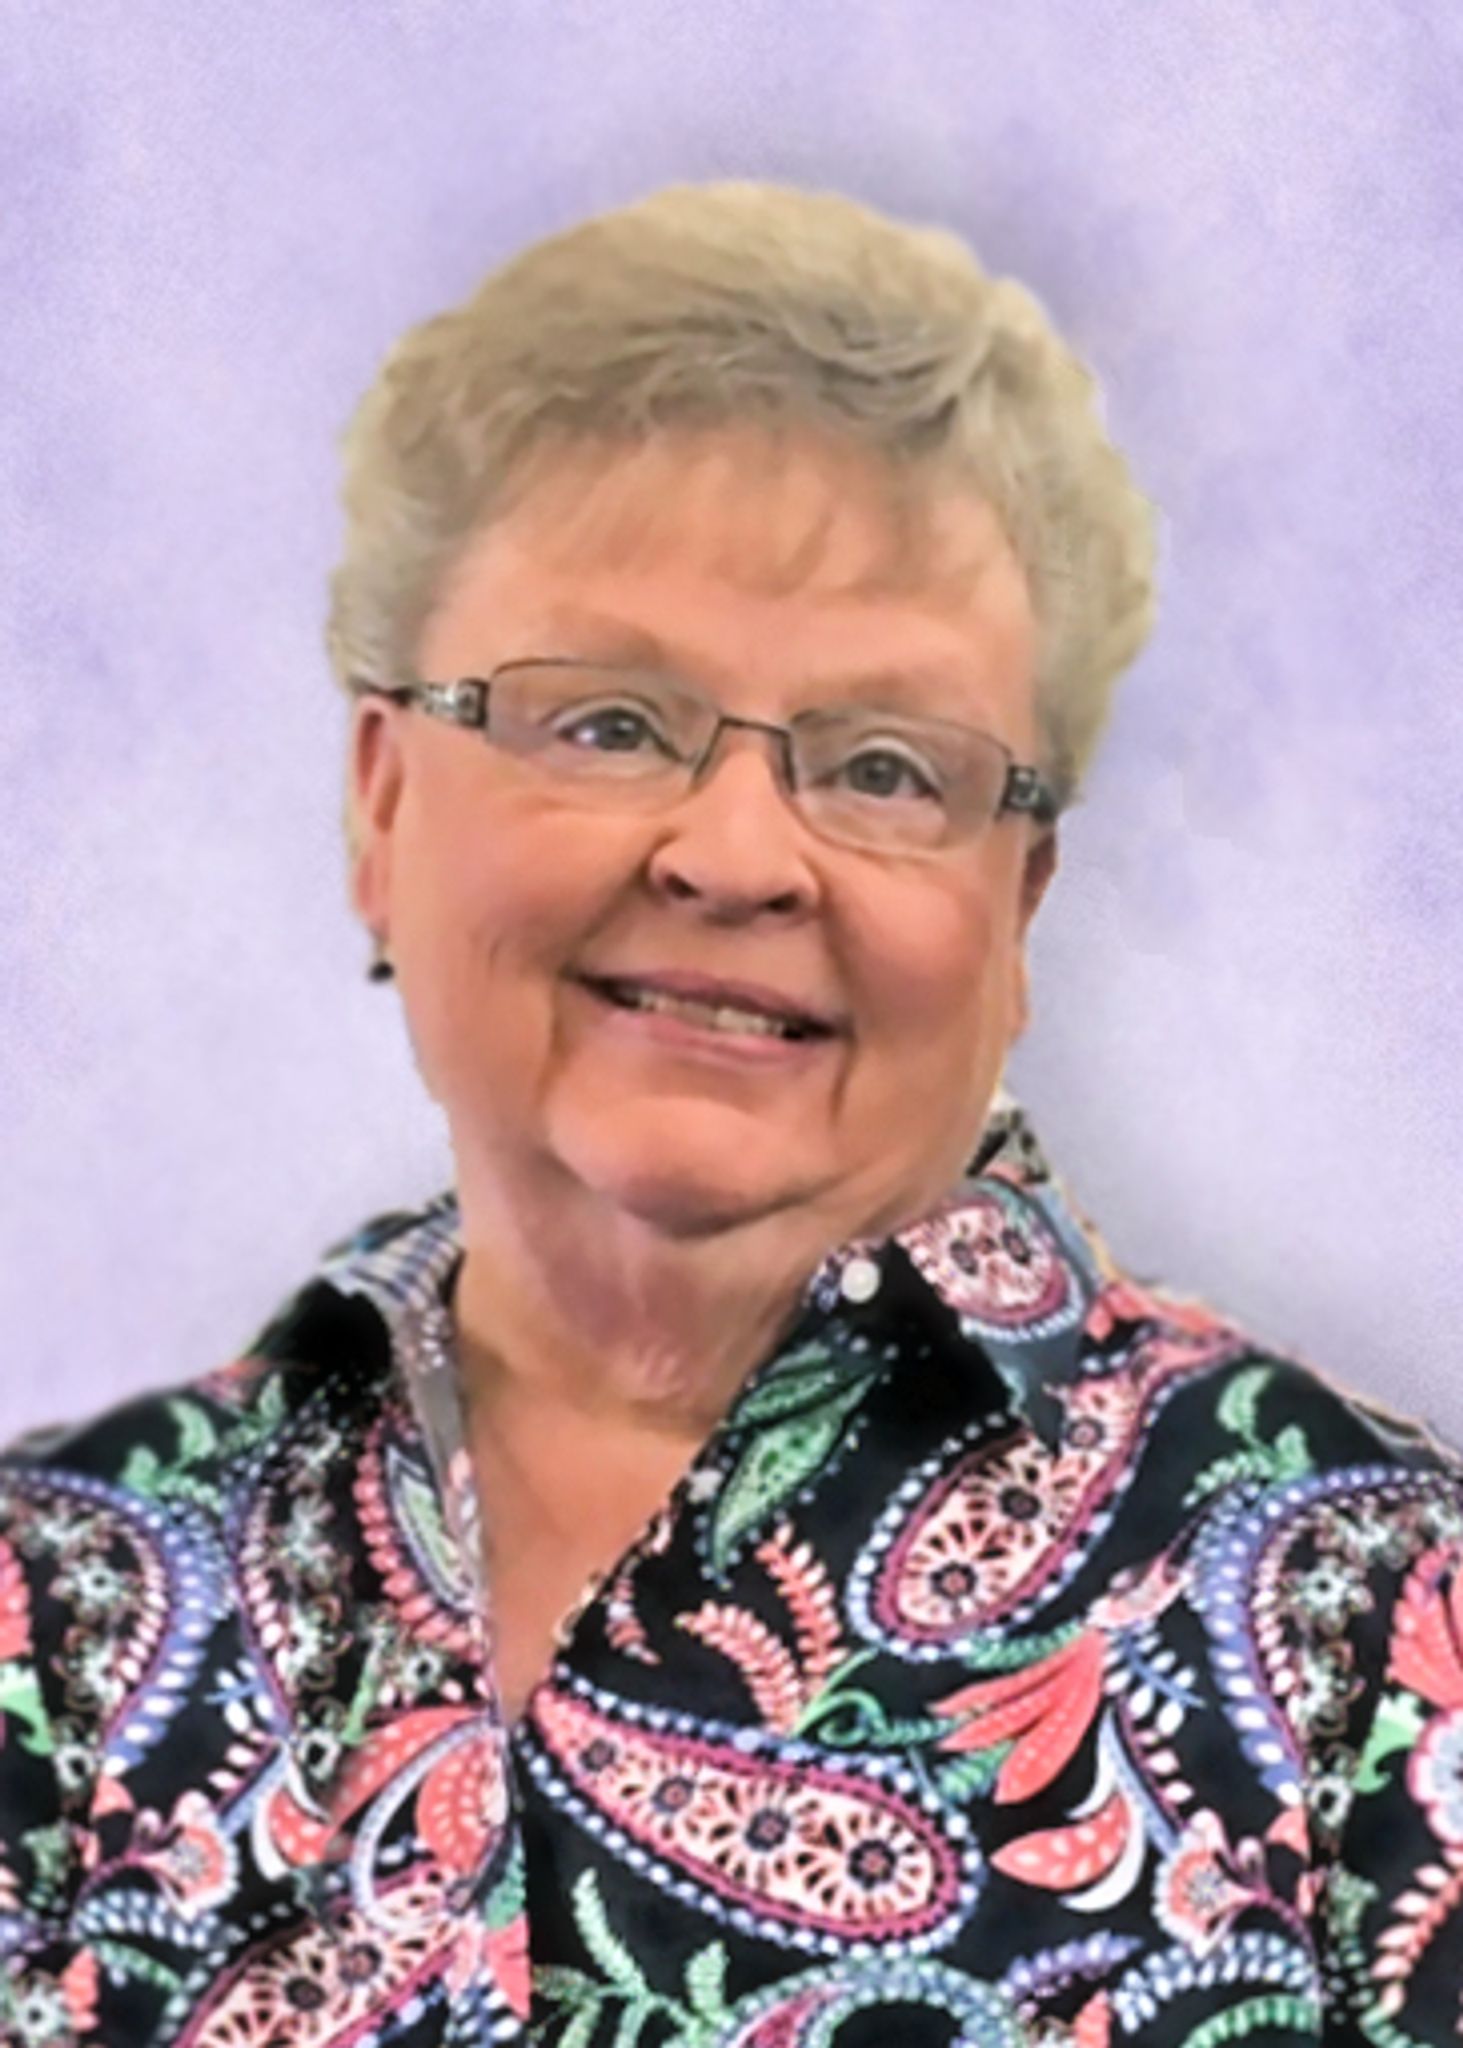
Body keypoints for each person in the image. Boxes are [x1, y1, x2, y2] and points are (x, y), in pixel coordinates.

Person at [2, 182, 1459, 2048]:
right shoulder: (51, 1594)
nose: (736, 855)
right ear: (382, 805)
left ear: (1016, 911)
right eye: (607, 722)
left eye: (886, 768)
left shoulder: (1380, 1617)